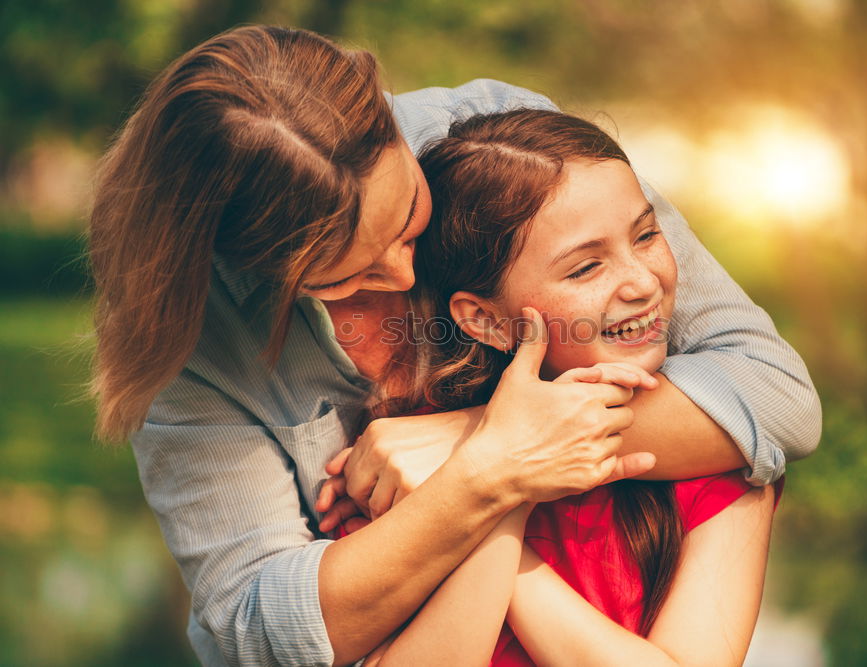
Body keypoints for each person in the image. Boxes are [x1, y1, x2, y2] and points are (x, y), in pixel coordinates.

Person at [87, 25, 820, 666]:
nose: (405, 274)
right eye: (347, 274)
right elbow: (262, 627)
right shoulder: (200, 346)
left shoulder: (505, 147)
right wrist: (485, 483)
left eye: (408, 219)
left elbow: (770, 391)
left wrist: (485, 442)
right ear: (258, 264)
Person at [318, 109, 779, 667]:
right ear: (485, 320)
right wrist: (498, 475)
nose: (641, 281)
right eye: (585, 268)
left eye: (646, 234)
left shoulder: (713, 453)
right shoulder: (404, 462)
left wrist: (503, 503)